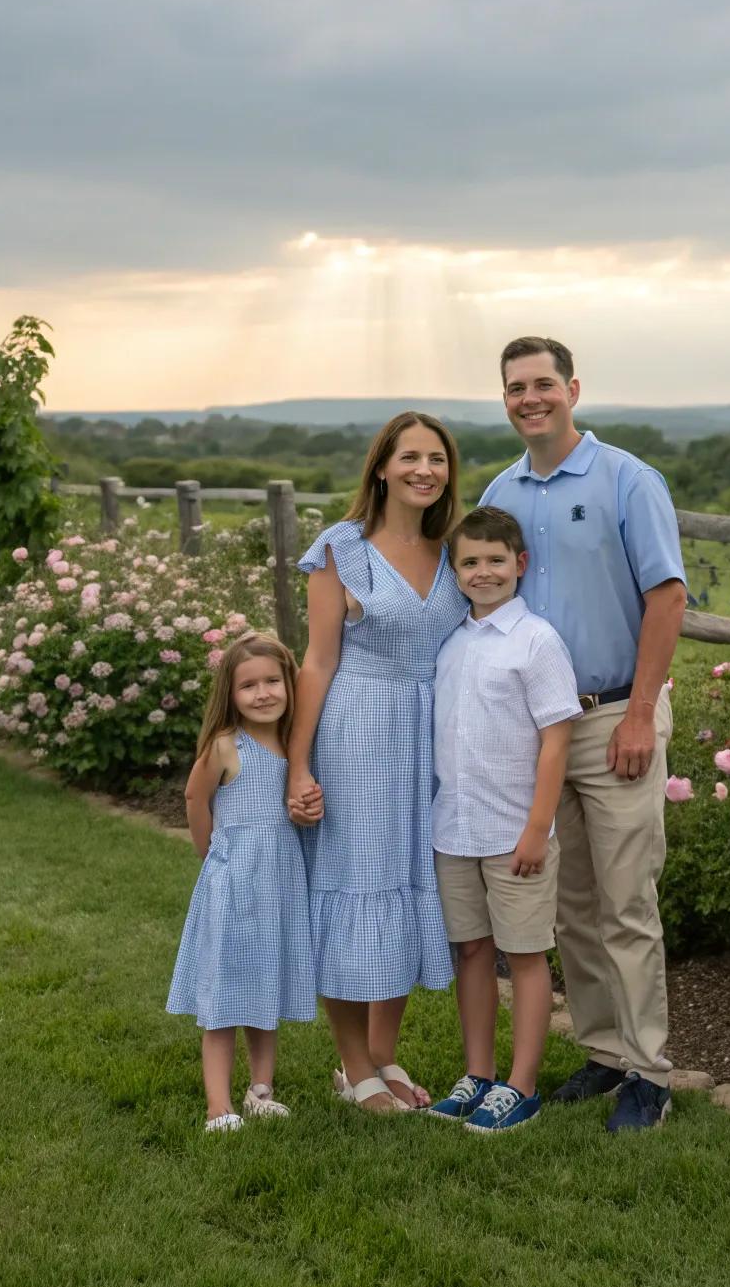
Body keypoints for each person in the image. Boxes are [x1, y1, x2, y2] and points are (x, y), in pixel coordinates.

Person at [479, 337, 688, 1133]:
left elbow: (666, 599)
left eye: (542, 385)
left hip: (612, 716)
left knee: (627, 900)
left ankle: (651, 1073)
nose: (529, 398)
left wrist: (640, 711)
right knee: (571, 905)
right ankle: (604, 1052)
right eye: (514, 388)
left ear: (573, 389)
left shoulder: (627, 480)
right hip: (541, 728)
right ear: (504, 400)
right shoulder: (502, 491)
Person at [287, 412, 467, 1113]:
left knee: (406, 880)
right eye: (411, 457)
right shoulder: (342, 548)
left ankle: (385, 1054)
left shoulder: (452, 551)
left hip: (430, 736)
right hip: (358, 732)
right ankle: (352, 1064)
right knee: (354, 884)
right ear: (382, 468)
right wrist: (299, 766)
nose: (426, 470)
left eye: (438, 459)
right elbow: (319, 659)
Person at [428, 507, 581, 1134]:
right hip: (454, 828)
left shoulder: (536, 641)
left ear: (520, 564)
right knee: (470, 951)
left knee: (524, 955)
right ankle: (477, 1074)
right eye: (470, 562)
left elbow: (556, 740)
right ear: (455, 570)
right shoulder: (453, 640)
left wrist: (536, 827)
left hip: (515, 829)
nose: (483, 572)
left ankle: (521, 1086)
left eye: (495, 560)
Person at [167, 630, 317, 1133]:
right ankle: (218, 1105)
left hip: (278, 884)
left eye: (273, 681)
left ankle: (260, 1090)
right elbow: (194, 797)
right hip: (234, 884)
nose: (263, 693)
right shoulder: (226, 746)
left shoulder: (296, 745)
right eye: (248, 685)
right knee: (224, 991)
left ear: (290, 683)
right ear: (230, 695)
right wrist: (210, 852)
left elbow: (295, 807)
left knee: (265, 983)